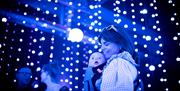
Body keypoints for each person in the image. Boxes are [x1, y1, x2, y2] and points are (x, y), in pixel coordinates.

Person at [96, 25, 144, 91]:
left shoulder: (119, 62)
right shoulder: (123, 62)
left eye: (106, 44)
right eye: (101, 45)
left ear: (120, 44)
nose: (102, 48)